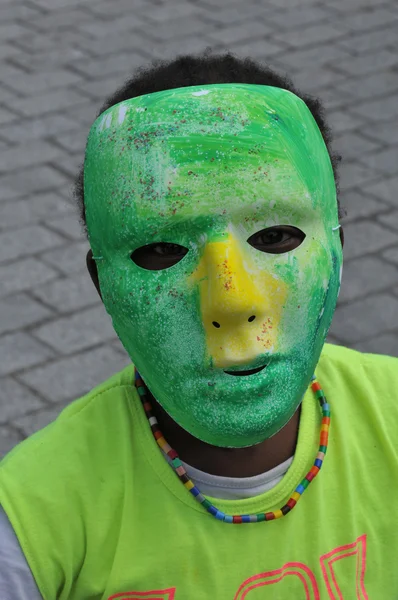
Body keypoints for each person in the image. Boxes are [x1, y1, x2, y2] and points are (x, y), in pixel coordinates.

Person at [0, 52, 397, 599]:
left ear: (338, 250)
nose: (231, 303)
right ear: (102, 285)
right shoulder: (29, 529)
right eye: (162, 250)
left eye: (274, 237)